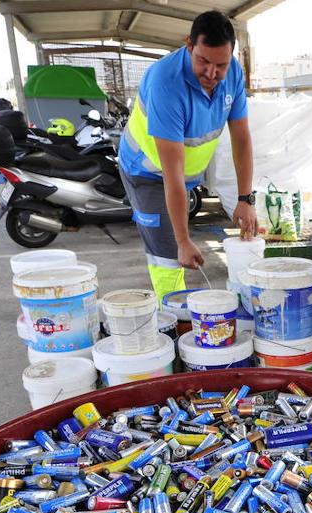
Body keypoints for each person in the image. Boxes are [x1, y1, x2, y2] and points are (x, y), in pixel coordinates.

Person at [119, 10, 258, 298]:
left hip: (186, 176)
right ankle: (173, 323)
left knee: (178, 242)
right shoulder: (166, 84)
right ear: (189, 44)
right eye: (203, 61)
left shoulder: (232, 73)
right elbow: (172, 175)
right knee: (169, 254)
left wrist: (246, 199)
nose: (211, 73)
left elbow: (242, 140)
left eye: (220, 64)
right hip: (148, 173)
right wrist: (183, 239)